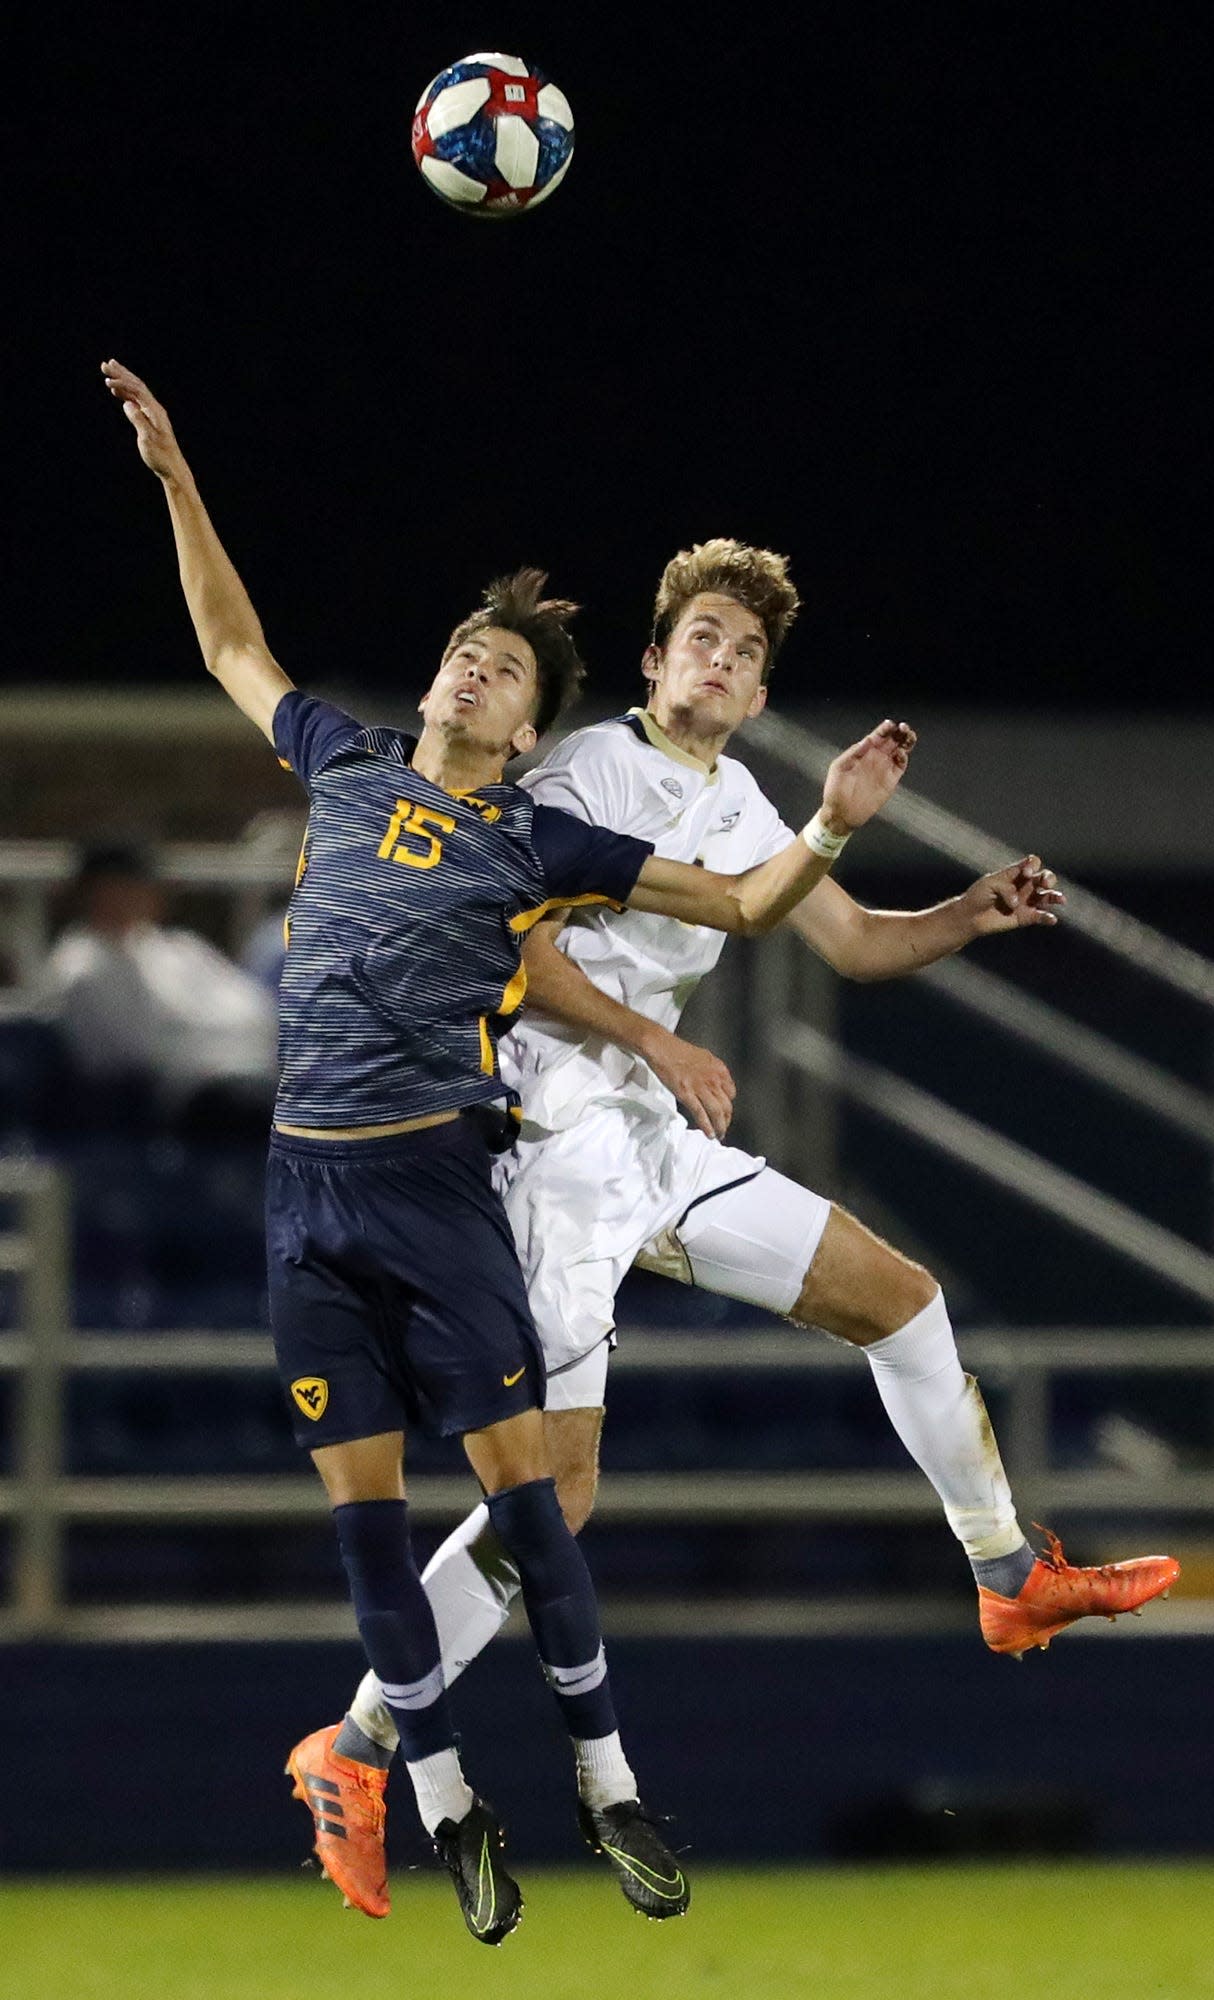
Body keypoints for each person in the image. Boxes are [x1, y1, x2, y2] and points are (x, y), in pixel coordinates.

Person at [103, 363, 915, 1942]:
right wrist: (177, 476)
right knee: (367, 1525)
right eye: (457, 654)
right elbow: (224, 641)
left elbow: (746, 911)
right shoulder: (340, 762)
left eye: (495, 667)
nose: (466, 674)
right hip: (301, 1187)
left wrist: (825, 826)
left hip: (439, 1177)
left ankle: (602, 1785)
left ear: (531, 721)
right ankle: (430, 1796)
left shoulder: (539, 836)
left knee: (544, 1500)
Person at [327, 538, 1180, 1915]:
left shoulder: (735, 800)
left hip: (647, 1142)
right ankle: (358, 1744)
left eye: (744, 651)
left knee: (901, 1298)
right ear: (656, 661)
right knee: (557, 1499)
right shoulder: (587, 768)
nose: (720, 662)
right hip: (548, 1136)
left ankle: (1007, 1572)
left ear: (755, 686)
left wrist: (968, 909)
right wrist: (645, 1043)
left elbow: (844, 940)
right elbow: (495, 929)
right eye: (700, 639)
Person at [45, 841, 277, 1135]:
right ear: (92, 892)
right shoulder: (81, 966)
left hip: (245, 1074)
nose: (134, 896)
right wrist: (217, 1043)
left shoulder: (178, 949)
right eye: (118, 886)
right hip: (171, 1104)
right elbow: (137, 1053)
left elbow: (258, 1010)